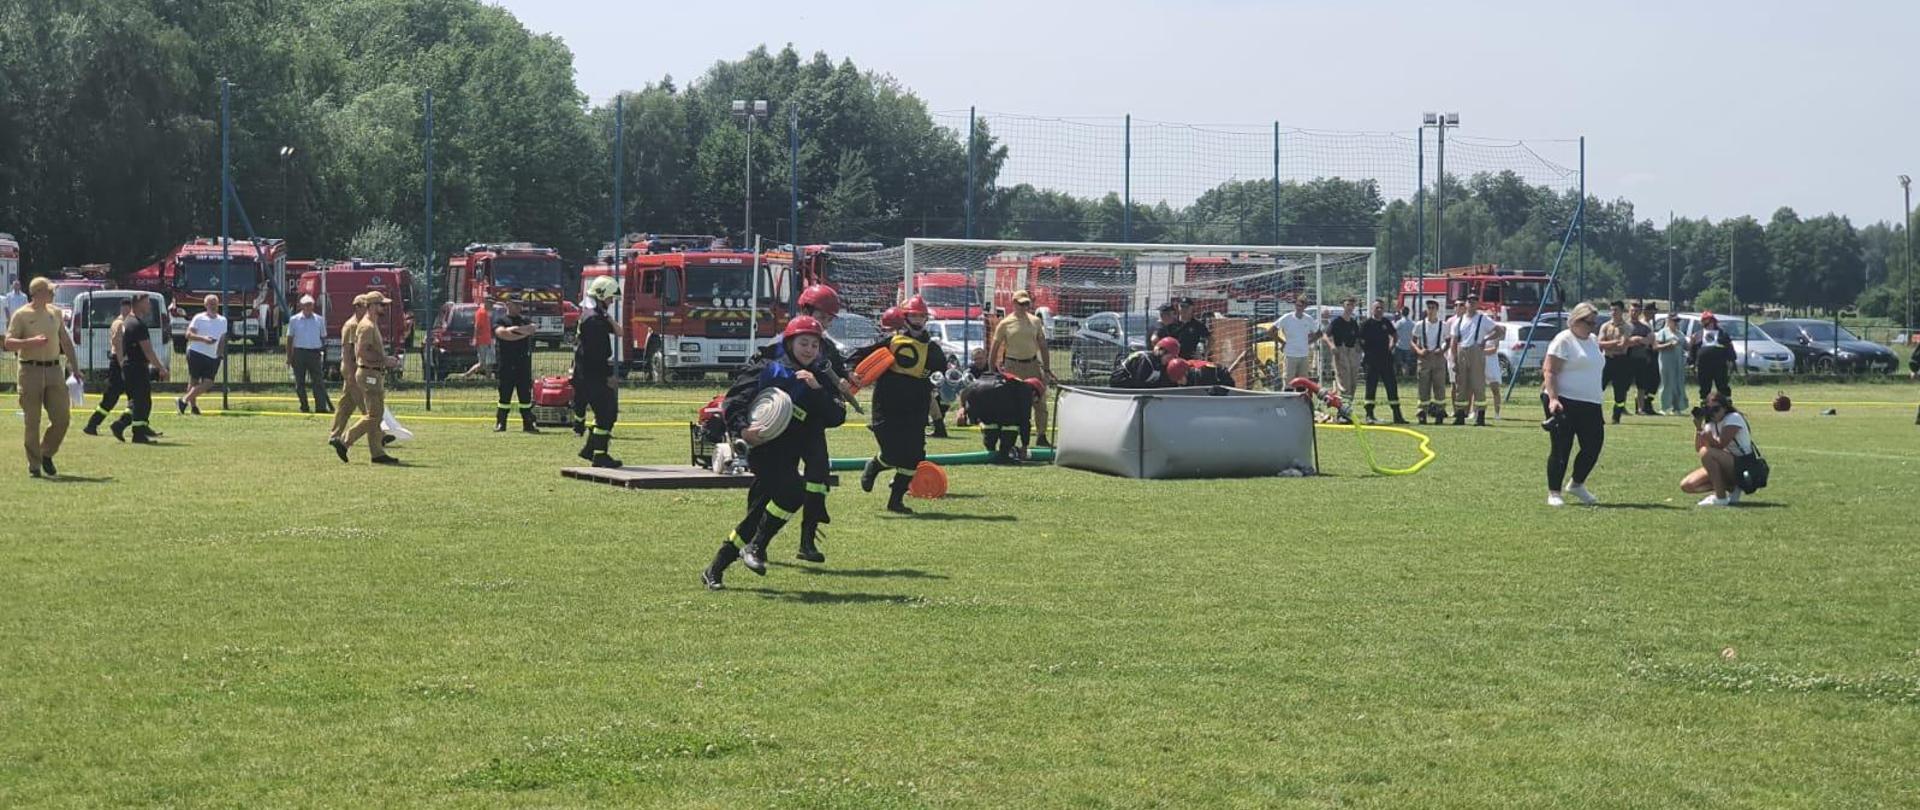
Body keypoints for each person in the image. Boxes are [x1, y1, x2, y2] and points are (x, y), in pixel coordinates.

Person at [702, 315, 847, 590]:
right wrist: (743, 430)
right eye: (803, 343)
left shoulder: (818, 377)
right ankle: (756, 547)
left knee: (756, 515)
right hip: (765, 450)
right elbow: (735, 401)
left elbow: (837, 416)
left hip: (790, 454)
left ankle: (715, 569)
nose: (809, 350)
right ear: (790, 343)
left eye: (814, 345)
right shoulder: (768, 367)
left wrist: (817, 390)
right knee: (793, 493)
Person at [856, 295, 948, 514]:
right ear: (904, 318)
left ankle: (895, 501)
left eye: (921, 316)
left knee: (914, 457)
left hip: (916, 408)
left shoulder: (933, 350)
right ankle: (875, 465)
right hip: (887, 406)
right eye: (914, 316)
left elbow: (941, 375)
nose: (918, 320)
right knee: (892, 453)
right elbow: (861, 359)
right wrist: (849, 374)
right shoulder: (892, 342)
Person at [786, 284, 857, 563]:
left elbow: (838, 373)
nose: (825, 324)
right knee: (773, 484)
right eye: (821, 317)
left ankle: (807, 541)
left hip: (813, 423)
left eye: (829, 319)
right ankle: (756, 540)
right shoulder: (784, 340)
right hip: (784, 425)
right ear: (804, 310)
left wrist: (847, 379)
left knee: (817, 476)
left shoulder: (826, 347)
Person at [5, 277, 82, 477]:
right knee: (32, 421)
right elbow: (9, 343)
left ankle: (46, 452)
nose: (53, 294)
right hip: (30, 370)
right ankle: (34, 464)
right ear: (38, 292)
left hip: (54, 370)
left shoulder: (55, 312)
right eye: (50, 291)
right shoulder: (21, 315)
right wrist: (31, 342)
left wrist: (75, 367)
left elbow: (66, 341)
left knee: (62, 418)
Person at [1542, 302, 1607, 506]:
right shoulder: (1564, 340)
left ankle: (1577, 484)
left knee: (1593, 446)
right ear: (1576, 320)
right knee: (1562, 447)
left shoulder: (1593, 340)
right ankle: (1554, 492)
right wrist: (1553, 399)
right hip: (1564, 401)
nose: (1592, 327)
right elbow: (1550, 371)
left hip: (1591, 402)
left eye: (1594, 323)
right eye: (1589, 323)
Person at [332, 291, 401, 465]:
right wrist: (385, 360)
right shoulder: (367, 326)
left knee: (375, 414)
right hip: (369, 374)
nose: (384, 308)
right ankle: (345, 441)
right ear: (371, 306)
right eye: (381, 305)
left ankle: (377, 453)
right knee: (374, 415)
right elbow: (362, 352)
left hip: (373, 373)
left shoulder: (370, 324)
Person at [990, 289, 1053, 446]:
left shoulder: (1035, 321)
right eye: (1021, 304)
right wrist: (991, 370)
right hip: (1012, 366)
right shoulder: (1005, 323)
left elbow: (1043, 345)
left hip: (1032, 365)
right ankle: (1011, 437)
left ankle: (1041, 436)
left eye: (1026, 304)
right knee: (1012, 403)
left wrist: (1046, 369)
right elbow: (995, 347)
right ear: (1014, 303)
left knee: (1040, 402)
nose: (1024, 307)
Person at [573, 278, 623, 468]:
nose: (611, 302)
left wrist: (606, 315)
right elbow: (596, 354)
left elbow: (619, 332)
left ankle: (589, 450)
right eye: (610, 298)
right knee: (606, 413)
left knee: (606, 412)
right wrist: (607, 376)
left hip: (588, 373)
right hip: (593, 374)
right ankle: (600, 456)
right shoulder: (594, 320)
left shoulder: (595, 316)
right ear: (601, 296)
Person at [109, 293, 168, 443]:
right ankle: (138, 434)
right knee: (143, 402)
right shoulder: (137, 324)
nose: (149, 306)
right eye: (147, 302)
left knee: (135, 401)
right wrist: (161, 368)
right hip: (137, 367)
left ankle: (120, 425)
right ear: (138, 304)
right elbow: (148, 350)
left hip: (129, 366)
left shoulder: (128, 321)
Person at [1681, 392, 1755, 507]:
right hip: (1727, 464)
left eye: (1716, 409)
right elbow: (1699, 448)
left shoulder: (1733, 418)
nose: (1713, 413)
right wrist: (1699, 428)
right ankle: (1731, 487)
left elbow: (1720, 445)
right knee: (1687, 485)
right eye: (1709, 409)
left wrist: (1708, 436)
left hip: (1745, 465)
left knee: (1707, 453)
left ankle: (1720, 497)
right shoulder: (1711, 424)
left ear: (1725, 408)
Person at [957, 373, 1043, 463]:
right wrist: (1024, 445)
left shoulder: (1012, 383)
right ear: (1034, 392)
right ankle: (1004, 453)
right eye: (1036, 400)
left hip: (977, 391)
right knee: (1011, 422)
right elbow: (1024, 420)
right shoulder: (1025, 389)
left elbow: (968, 389)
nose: (1033, 403)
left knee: (990, 421)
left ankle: (991, 449)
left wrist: (963, 407)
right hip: (996, 395)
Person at [82, 296, 134, 435]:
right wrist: (122, 363)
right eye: (128, 308)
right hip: (119, 362)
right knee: (113, 396)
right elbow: (117, 342)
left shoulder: (125, 322)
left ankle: (138, 424)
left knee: (130, 395)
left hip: (122, 361)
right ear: (125, 308)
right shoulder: (120, 323)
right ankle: (93, 424)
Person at [490, 299, 539, 433]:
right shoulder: (500, 320)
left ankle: (528, 423)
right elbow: (503, 334)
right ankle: (501, 423)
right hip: (506, 363)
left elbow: (532, 329)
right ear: (508, 305)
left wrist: (513, 331)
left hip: (523, 363)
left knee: (525, 396)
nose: (519, 307)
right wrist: (521, 333)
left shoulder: (525, 320)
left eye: (520, 304)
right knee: (504, 394)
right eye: (516, 304)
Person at [1446, 296, 1495, 426]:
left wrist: (1486, 339)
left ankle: (1480, 416)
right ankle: (1460, 415)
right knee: (1461, 385)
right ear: (1466, 304)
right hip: (1462, 351)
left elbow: (1499, 331)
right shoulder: (1458, 321)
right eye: (1469, 301)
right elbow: (1453, 342)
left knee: (1478, 384)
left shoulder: (1483, 319)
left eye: (1474, 301)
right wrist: (1454, 360)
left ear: (1477, 304)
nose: (1471, 303)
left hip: (1476, 351)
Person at [1358, 299, 1406, 424]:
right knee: (1371, 387)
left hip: (1386, 359)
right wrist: (1367, 351)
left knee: (1391, 386)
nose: (1379, 310)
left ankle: (1397, 415)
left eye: (1381, 308)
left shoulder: (1386, 322)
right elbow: (1360, 340)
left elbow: (1395, 335)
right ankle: (1369, 414)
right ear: (1372, 309)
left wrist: (1391, 346)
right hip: (1371, 361)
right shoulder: (1366, 324)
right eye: (1377, 308)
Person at [178, 294, 228, 415]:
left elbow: (222, 339)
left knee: (208, 382)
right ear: (205, 305)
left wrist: (220, 354)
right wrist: (203, 339)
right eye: (210, 304)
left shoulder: (223, 320)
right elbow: (188, 335)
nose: (213, 306)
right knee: (194, 380)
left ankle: (183, 400)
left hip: (213, 356)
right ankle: (193, 407)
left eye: (215, 304)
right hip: (196, 352)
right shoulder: (199, 318)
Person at [330, 295, 368, 443]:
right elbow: (347, 352)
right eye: (365, 306)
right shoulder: (352, 325)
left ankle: (335, 434)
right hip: (351, 368)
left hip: (356, 369)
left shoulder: (362, 324)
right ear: (357, 307)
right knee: (366, 405)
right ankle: (380, 433)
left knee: (346, 404)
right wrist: (350, 373)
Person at [286, 294, 331, 414]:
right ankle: (304, 406)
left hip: (314, 353)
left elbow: (323, 337)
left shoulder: (319, 320)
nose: (308, 307)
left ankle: (320, 407)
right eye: (306, 305)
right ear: (301, 306)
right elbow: (289, 339)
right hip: (299, 353)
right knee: (299, 383)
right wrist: (289, 357)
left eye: (310, 305)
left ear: (313, 306)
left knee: (318, 382)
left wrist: (322, 352)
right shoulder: (294, 320)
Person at [1410, 299, 1449, 425]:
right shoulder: (1420, 324)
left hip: (1438, 358)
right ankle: (1422, 412)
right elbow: (1413, 341)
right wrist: (1419, 351)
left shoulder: (1443, 325)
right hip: (1424, 358)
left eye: (1433, 308)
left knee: (1439, 387)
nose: (1430, 310)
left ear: (1437, 310)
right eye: (1429, 308)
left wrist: (1442, 350)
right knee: (1423, 386)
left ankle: (1440, 412)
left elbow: (1448, 341)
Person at [1597, 300, 1634, 424]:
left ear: (1622, 311)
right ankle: (1598, 416)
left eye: (1616, 310)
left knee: (1620, 391)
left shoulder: (1627, 327)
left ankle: (1616, 416)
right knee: (1598, 388)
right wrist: (1613, 343)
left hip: (1621, 361)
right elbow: (1600, 343)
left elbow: (1622, 345)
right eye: (1611, 310)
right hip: (1606, 360)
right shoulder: (1605, 326)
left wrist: (1608, 344)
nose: (1613, 312)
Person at [1270, 298, 1320, 384]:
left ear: (1305, 307)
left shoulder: (1309, 319)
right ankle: (1287, 392)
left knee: (1302, 383)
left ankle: (1301, 393)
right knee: (1289, 382)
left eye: (1301, 306)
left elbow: (1319, 334)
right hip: (1290, 355)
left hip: (1304, 355)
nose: (1298, 308)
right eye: (1297, 305)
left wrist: (1308, 342)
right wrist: (1282, 342)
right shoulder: (1287, 317)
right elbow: (1270, 331)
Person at [1689, 311, 1735, 403]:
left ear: (1713, 321)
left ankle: (1726, 402)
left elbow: (1729, 347)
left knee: (1722, 383)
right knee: (1704, 384)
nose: (1707, 323)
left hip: (1719, 364)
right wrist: (1691, 362)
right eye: (1704, 320)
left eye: (1708, 320)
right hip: (1703, 364)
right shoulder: (1697, 335)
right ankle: (1704, 402)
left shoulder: (1722, 334)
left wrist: (1731, 360)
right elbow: (1693, 349)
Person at [1322, 298, 1361, 402]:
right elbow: (1325, 335)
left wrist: (1359, 348)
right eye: (1348, 305)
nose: (1350, 307)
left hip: (1352, 352)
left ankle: (1349, 403)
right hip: (1340, 351)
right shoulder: (1337, 321)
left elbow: (1358, 338)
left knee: (1353, 380)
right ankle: (1343, 405)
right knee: (1344, 379)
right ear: (1343, 306)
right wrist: (1332, 346)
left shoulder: (1353, 322)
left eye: (1352, 305)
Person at [1111, 336, 1180, 389]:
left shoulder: (1161, 364)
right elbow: (1139, 383)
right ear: (1161, 351)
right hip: (1121, 382)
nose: (1169, 360)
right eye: (1169, 357)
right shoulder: (1145, 360)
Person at [1655, 311, 1689, 415]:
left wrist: (1691, 343)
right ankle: (1664, 407)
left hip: (1678, 363)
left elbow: (1686, 347)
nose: (1676, 323)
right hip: (1666, 363)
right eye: (1674, 321)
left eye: (1677, 321)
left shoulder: (1680, 334)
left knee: (1678, 384)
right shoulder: (1663, 332)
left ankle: (1677, 407)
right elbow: (1656, 346)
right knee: (1666, 384)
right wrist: (1669, 344)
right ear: (1669, 321)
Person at [1632, 303, 1661, 415]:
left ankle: (1647, 403)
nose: (1654, 314)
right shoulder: (1644, 324)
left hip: (1651, 352)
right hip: (1646, 353)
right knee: (1648, 381)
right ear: (1647, 312)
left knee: (1653, 381)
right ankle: (1643, 404)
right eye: (1653, 311)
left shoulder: (1649, 324)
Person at [462, 300, 495, 379]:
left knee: (490, 362)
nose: (492, 306)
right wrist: (475, 339)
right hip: (482, 341)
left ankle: (488, 379)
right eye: (491, 304)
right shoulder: (481, 313)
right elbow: (477, 327)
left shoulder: (486, 313)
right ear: (486, 303)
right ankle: (466, 375)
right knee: (482, 363)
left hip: (488, 341)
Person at [1482, 321, 1507, 421]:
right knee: (1478, 389)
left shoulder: (1494, 335)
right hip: (1480, 362)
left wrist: (1480, 351)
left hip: (1492, 364)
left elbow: (1494, 349)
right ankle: (1475, 412)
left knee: (1495, 389)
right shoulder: (1480, 333)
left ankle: (1497, 413)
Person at [1393, 306, 1416, 376]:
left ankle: (1396, 376)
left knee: (1396, 363)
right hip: (1408, 346)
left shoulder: (1399, 322)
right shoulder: (1412, 323)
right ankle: (1406, 377)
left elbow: (1393, 332)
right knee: (1406, 364)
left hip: (1399, 345)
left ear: (1401, 312)